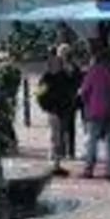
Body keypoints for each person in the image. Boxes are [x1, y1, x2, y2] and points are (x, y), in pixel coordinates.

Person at [79, 50, 110, 179]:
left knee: (92, 141)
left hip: (95, 111)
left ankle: (89, 169)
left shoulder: (93, 71)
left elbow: (84, 91)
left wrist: (87, 105)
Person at [37, 45, 80, 175]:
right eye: (53, 63)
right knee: (56, 136)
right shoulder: (47, 76)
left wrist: (70, 101)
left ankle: (57, 161)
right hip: (54, 110)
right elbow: (39, 93)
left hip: (64, 109)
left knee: (60, 135)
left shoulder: (63, 75)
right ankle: (55, 162)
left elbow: (73, 87)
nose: (55, 65)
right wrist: (45, 107)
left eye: (57, 63)